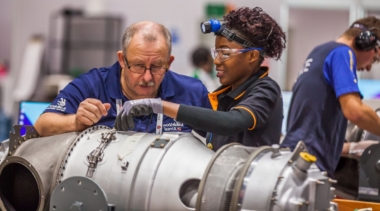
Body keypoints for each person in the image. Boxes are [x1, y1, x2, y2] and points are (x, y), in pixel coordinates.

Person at [114, 7, 287, 151]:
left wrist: (158, 105)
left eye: (225, 53)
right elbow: (208, 125)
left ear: (252, 56)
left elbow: (232, 122)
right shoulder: (227, 94)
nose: (216, 61)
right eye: (216, 52)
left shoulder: (265, 89)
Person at [34, 21, 211, 137]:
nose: (147, 77)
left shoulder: (192, 92)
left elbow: (221, 140)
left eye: (156, 66)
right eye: (138, 66)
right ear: (121, 60)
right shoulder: (92, 85)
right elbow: (42, 125)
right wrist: (76, 122)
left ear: (169, 62)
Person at [281, 16, 380, 177]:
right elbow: (355, 111)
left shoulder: (319, 51)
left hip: (296, 157)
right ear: (366, 42)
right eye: (375, 58)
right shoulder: (342, 52)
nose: (368, 67)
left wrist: (352, 148)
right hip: (310, 164)